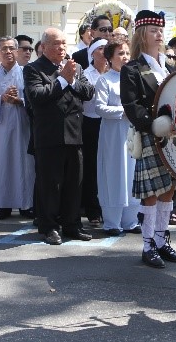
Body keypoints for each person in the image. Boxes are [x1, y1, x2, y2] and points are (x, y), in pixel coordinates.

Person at [120, 10, 176, 269]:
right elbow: (132, 107)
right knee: (151, 194)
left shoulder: (168, 67)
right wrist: (156, 125)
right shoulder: (132, 68)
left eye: (161, 30)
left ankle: (161, 240)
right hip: (150, 135)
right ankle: (148, 245)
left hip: (172, 138)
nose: (159, 35)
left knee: (169, 190)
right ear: (141, 34)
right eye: (153, 31)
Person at [24, 28, 95, 245]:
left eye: (64, 43)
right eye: (56, 43)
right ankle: (49, 226)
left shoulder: (76, 67)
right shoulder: (33, 69)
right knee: (50, 184)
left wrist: (71, 80)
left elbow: (88, 92)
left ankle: (72, 224)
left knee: (75, 183)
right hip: (49, 136)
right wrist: (63, 80)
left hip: (74, 134)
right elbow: (37, 96)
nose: (62, 48)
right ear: (44, 47)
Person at [0, 37, 35, 220]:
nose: (8, 52)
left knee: (24, 164)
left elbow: (36, 101)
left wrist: (19, 101)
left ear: (17, 51)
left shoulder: (27, 73)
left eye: (12, 48)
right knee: (2, 164)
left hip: (22, 127)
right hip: (1, 128)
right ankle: (3, 205)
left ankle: (26, 204)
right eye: (4, 49)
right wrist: (1, 99)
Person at [94, 38, 140, 236]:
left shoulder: (134, 78)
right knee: (114, 174)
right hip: (113, 134)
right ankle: (112, 222)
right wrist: (123, 111)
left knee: (132, 173)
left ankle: (130, 220)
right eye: (120, 54)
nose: (125, 57)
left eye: (127, 53)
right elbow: (100, 107)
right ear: (110, 58)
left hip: (132, 132)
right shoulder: (104, 80)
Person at [81, 38, 108, 226]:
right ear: (92, 53)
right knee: (92, 168)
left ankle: (109, 207)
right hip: (90, 124)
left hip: (111, 124)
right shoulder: (85, 74)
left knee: (109, 167)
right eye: (100, 49)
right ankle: (93, 210)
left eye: (107, 48)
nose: (104, 51)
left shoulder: (116, 73)